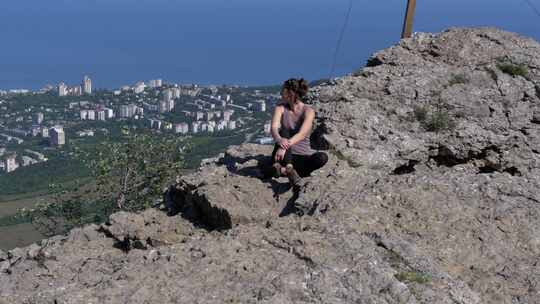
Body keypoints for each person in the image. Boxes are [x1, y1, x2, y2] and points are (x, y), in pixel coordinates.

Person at [266, 78, 328, 185]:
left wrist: (284, 146)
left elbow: (302, 134)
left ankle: (283, 171)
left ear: (290, 93)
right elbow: (274, 128)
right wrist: (280, 141)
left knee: (322, 157)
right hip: (282, 156)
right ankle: (288, 169)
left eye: (283, 90)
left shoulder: (308, 111)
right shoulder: (280, 108)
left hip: (302, 157)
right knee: (284, 132)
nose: (281, 93)